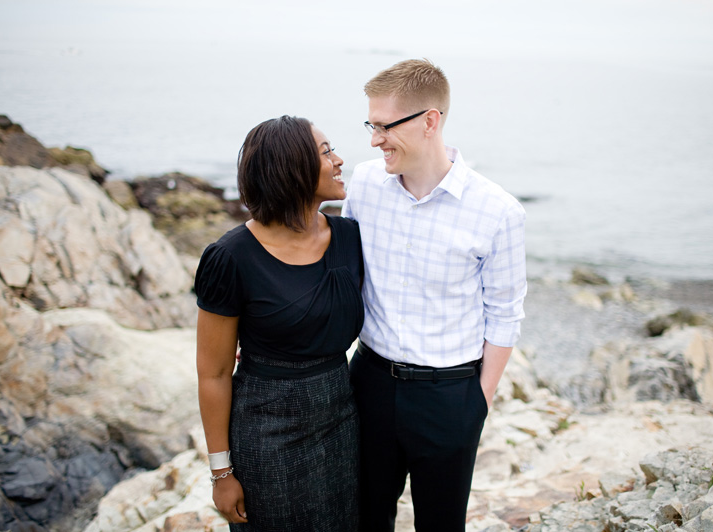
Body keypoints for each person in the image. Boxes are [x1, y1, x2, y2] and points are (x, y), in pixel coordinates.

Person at [342, 59, 527, 531]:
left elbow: (504, 314)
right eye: (371, 124)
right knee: (362, 518)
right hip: (370, 383)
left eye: (384, 126)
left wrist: (476, 404)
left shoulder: (498, 211)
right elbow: (341, 275)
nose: (373, 139)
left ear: (430, 120)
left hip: (450, 397)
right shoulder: (363, 184)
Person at [195, 115, 363, 531]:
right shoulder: (231, 257)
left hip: (343, 419)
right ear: (293, 167)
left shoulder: (350, 237)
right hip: (268, 431)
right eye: (326, 152)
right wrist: (221, 473)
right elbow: (213, 372)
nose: (339, 160)